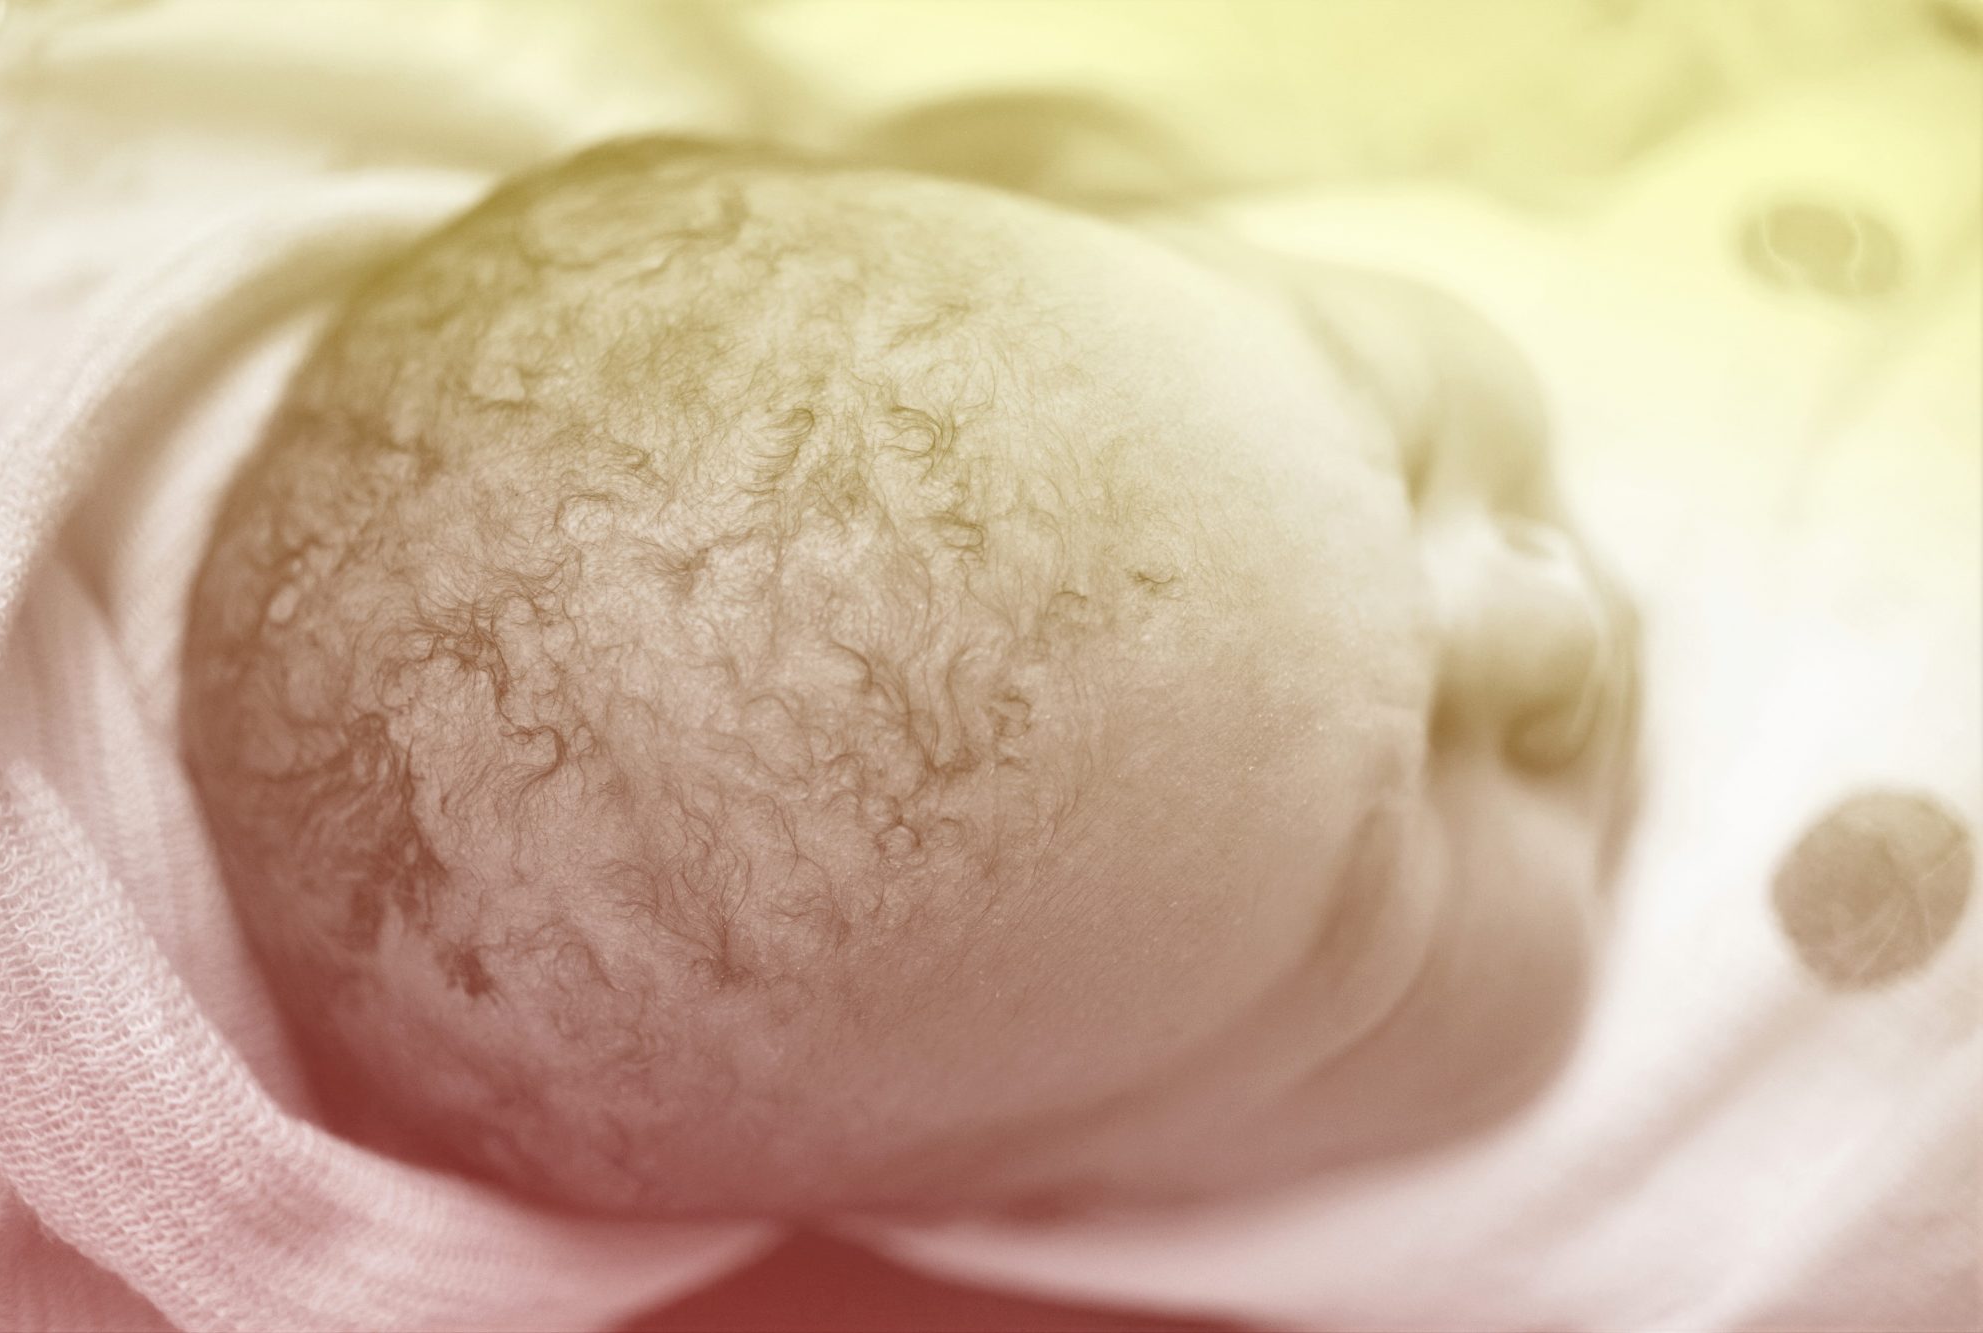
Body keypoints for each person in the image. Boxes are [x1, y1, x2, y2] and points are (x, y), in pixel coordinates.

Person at [178, 136, 1640, 1221]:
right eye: (1382, 926)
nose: (1553, 616)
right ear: (1091, 1187)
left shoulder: (1352, 159)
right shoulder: (1645, 1223)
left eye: (1389, 410)